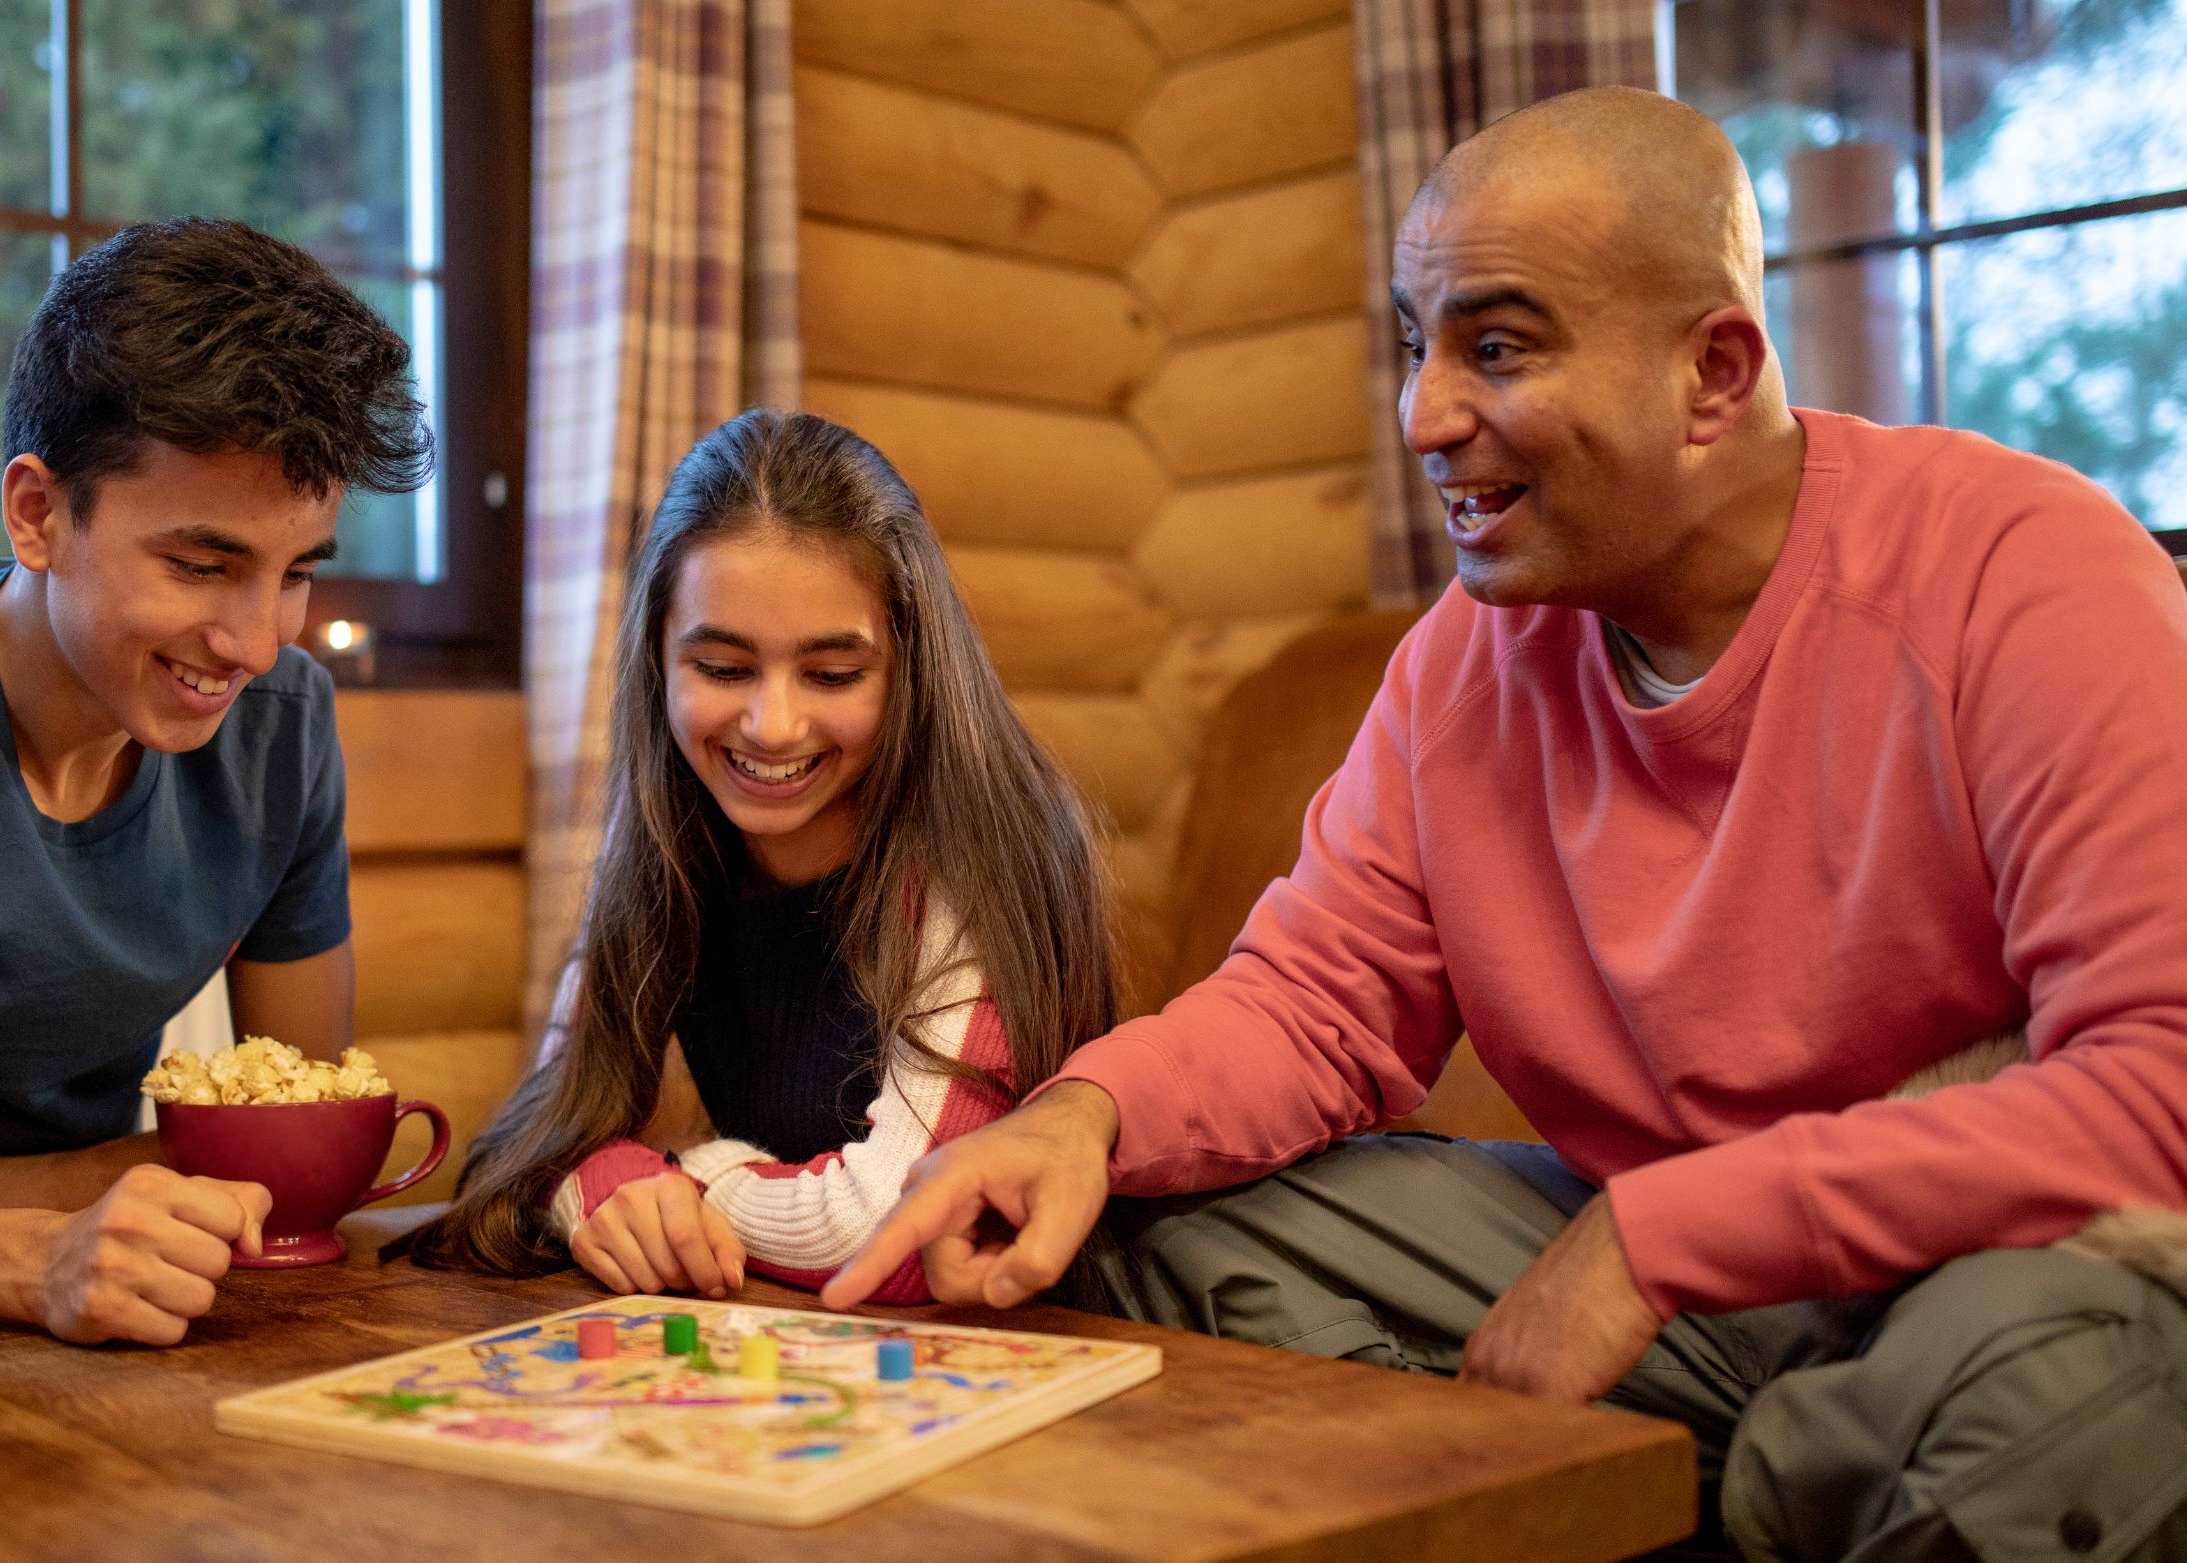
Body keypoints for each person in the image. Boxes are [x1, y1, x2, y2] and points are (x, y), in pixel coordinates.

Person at [826, 88, 2187, 1559]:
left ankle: (1773, 1481)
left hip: (1979, 1266)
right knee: (1148, 1221)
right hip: (1680, 1307)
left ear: (1713, 372)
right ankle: (1709, 1491)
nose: (1424, 415)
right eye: (1416, 345)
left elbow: (2156, 1091)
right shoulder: (1462, 665)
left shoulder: (2029, 569)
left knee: (2066, 1375)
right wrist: (1082, 1116)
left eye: (1497, 345)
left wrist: (1658, 1234)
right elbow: (1314, 999)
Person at [0, 218, 431, 1345]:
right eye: (200, 566)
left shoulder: (279, 727)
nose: (256, 644)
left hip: (112, 1297)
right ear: (36, 514)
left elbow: (298, 1124)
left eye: (295, 575)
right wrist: (106, 1182)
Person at [414, 410, 1121, 1305]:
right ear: (659, 663)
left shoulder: (990, 846)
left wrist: (677, 1181)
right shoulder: (675, 834)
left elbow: (904, 1230)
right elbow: (532, 1137)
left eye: (830, 675)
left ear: (910, 668)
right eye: (721, 667)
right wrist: (600, 1187)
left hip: (1019, 1348)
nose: (771, 726)